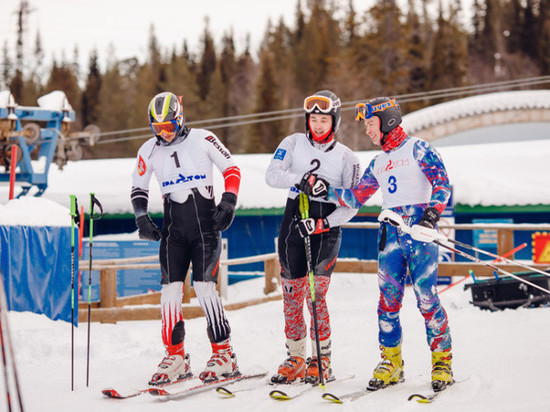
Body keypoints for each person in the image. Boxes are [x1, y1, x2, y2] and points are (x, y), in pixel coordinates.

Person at [300, 97, 453, 392]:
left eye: (371, 125)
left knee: (426, 298)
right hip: (390, 235)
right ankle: (391, 363)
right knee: (387, 302)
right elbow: (356, 197)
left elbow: (442, 183)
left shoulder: (418, 149)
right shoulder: (379, 161)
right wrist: (325, 190)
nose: (368, 131)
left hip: (419, 232)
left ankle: (442, 361)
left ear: (388, 121)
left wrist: (431, 216)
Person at [130, 91, 242, 385]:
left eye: (168, 126)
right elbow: (139, 187)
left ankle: (224, 352)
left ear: (180, 119)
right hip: (174, 232)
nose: (163, 134)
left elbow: (232, 168)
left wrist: (228, 201)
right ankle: (175, 355)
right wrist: (141, 217)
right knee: (170, 292)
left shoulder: (203, 139)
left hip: (205, 227)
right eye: (157, 129)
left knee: (205, 288)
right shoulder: (148, 150)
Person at [265, 90, 361, 384]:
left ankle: (322, 359)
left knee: (315, 295)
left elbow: (353, 205)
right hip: (293, 221)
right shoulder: (293, 143)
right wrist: (301, 179)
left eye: (324, 120)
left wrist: (323, 223)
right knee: (292, 294)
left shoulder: (347, 157)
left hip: (325, 229)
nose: (318, 125)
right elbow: (272, 175)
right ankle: (295, 357)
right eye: (313, 119)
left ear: (334, 121)